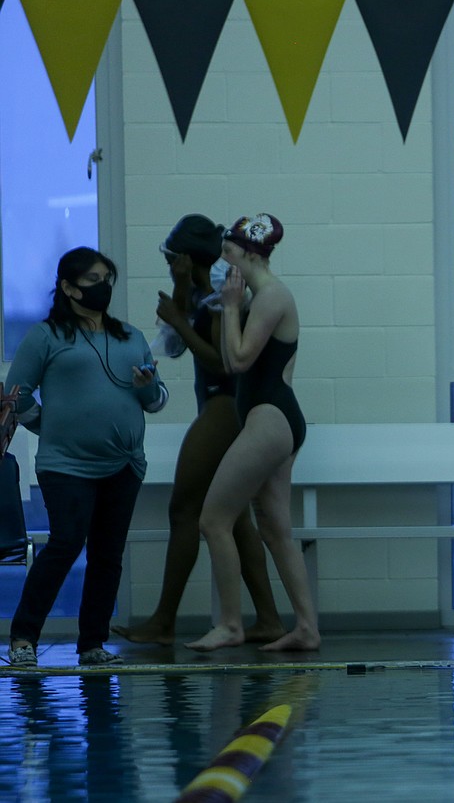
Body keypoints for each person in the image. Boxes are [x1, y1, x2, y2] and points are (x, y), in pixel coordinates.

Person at [112, 215, 284, 646]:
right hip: (222, 407)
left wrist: (181, 316)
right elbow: (168, 344)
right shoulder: (198, 294)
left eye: (172, 259)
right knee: (237, 519)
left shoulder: (215, 300)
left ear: (186, 258)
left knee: (184, 509)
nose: (169, 266)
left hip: (225, 407)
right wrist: (180, 294)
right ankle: (267, 619)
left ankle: (164, 620)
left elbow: (221, 363)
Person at [5, 247, 169, 667]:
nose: (103, 288)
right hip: (66, 465)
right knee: (64, 543)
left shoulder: (130, 337)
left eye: (106, 279)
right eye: (93, 280)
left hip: (125, 464)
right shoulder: (46, 336)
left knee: (107, 554)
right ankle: (23, 638)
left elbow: (157, 401)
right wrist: (50, 426)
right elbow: (15, 395)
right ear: (68, 287)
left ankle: (92, 644)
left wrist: (147, 386)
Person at [185, 213, 319, 652]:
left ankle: (229, 623)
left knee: (213, 519)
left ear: (247, 254)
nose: (222, 262)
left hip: (271, 419)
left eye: (227, 253)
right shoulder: (255, 298)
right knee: (276, 529)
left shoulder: (272, 297)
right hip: (272, 420)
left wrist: (228, 307)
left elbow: (239, 360)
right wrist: (226, 308)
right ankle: (305, 627)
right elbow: (229, 362)